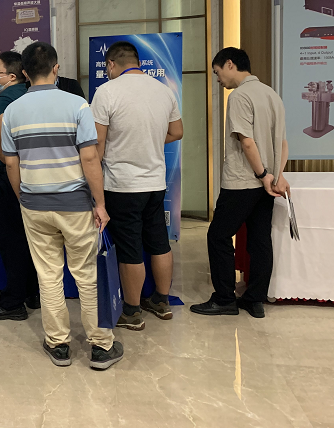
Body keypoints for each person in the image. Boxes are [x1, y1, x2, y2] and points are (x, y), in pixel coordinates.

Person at [1, 42, 123, 369]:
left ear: (24, 73)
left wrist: (23, 197)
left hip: (34, 205)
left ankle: (58, 345)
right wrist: (100, 203)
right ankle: (101, 346)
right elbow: (90, 158)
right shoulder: (78, 105)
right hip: (75, 205)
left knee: (48, 275)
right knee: (86, 274)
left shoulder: (13, 111)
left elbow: (10, 162)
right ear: (56, 68)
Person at [90, 41, 184, 331]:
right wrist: (150, 141)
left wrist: (92, 183)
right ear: (138, 62)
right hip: (155, 183)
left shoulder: (106, 92)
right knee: (159, 242)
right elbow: (177, 131)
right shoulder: (164, 91)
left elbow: (98, 145)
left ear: (111, 64)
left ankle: (131, 312)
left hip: (122, 185)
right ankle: (161, 301)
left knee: (130, 248)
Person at [191, 47, 288, 319]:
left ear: (230, 64)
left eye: (217, 72)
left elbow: (246, 142)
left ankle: (224, 299)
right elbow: (282, 142)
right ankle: (254, 300)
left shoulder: (239, 96)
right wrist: (276, 175)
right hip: (267, 183)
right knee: (259, 240)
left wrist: (262, 174)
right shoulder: (271, 94)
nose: (218, 79)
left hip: (243, 181)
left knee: (218, 236)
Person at [0, 51, 39, 321]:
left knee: (11, 239)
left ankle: (13, 302)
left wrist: (0, 157)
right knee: (28, 238)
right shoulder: (30, 93)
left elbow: (5, 139)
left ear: (12, 76)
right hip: (32, 172)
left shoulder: (8, 96)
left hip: (10, 171)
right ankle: (32, 293)